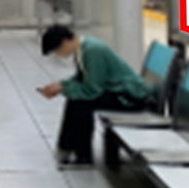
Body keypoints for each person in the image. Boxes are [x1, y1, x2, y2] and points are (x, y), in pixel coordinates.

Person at [39, 25, 148, 167]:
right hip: (116, 91)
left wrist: (63, 89)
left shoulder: (92, 51)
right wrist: (61, 85)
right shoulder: (81, 49)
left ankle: (81, 155)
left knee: (81, 103)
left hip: (129, 97)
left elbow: (92, 90)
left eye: (56, 50)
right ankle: (70, 149)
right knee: (76, 99)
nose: (58, 55)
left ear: (64, 42)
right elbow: (81, 78)